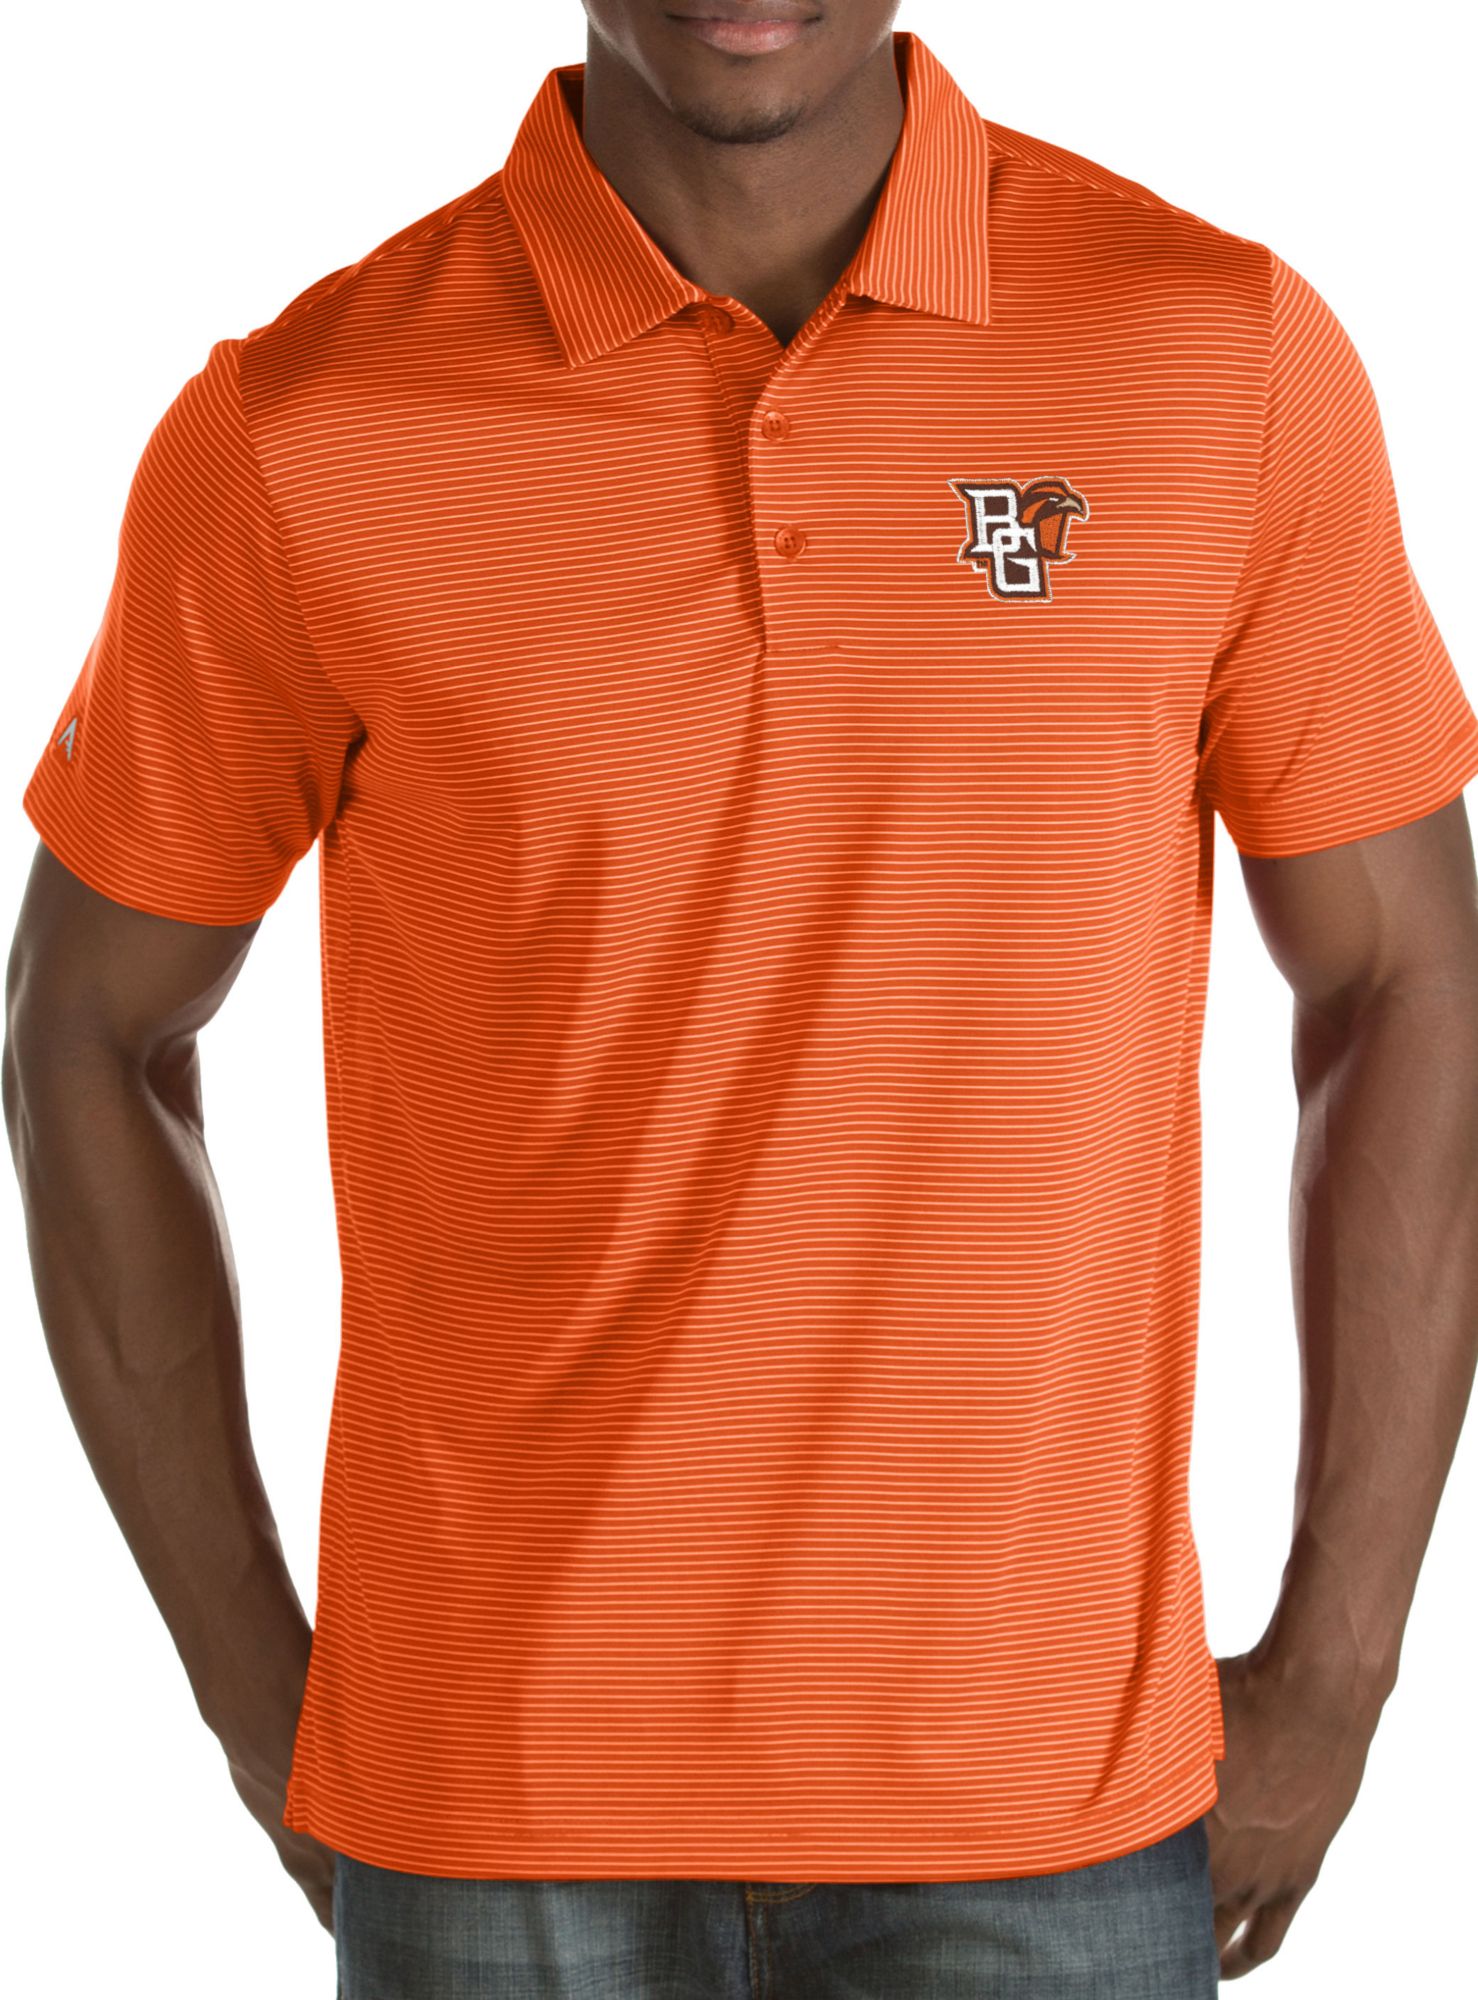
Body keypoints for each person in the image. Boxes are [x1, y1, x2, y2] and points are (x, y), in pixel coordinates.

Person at [8, 2, 1478, 1993]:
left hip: (1040, 1814)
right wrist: (252, 1693)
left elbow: (1402, 975)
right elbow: (86, 1028)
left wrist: (1343, 1663)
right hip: (494, 1827)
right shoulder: (307, 429)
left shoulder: (1211, 359)